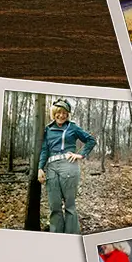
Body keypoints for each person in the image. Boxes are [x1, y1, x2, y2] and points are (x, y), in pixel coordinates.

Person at [32, 98, 96, 235]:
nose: (62, 116)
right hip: (51, 168)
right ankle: (56, 236)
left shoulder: (72, 127)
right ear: (54, 112)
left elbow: (91, 140)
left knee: (70, 205)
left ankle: (71, 236)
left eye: (65, 113)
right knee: (54, 206)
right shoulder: (48, 129)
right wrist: (40, 168)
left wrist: (81, 155)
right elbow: (44, 150)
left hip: (69, 165)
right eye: (59, 112)